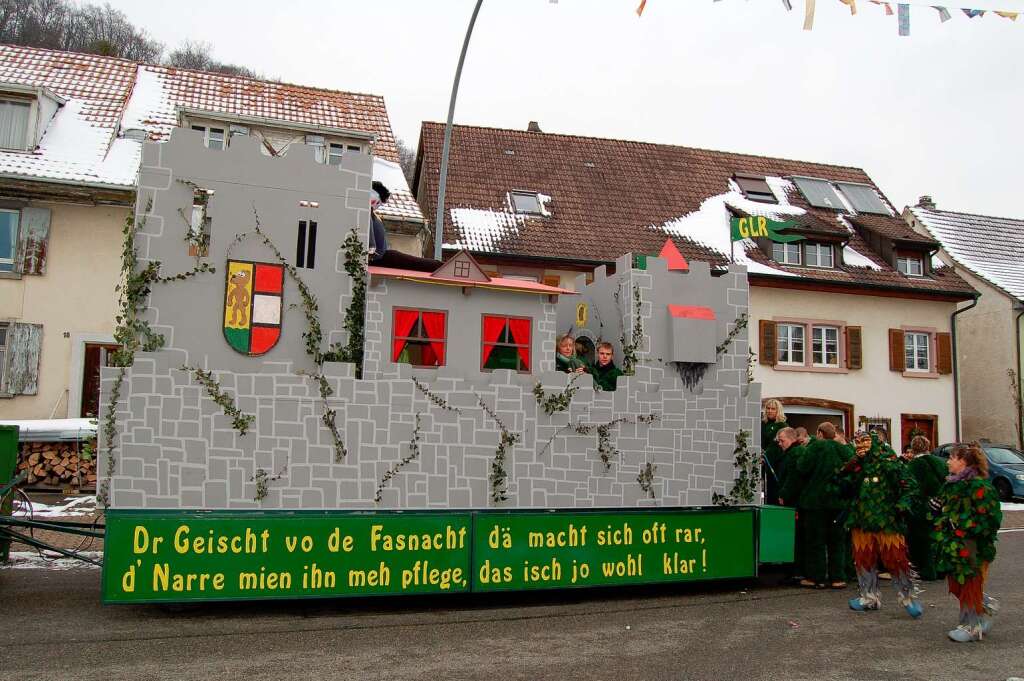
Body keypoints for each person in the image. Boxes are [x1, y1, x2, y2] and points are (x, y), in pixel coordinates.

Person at [840, 430, 922, 618]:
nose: (860, 447)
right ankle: (868, 596)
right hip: (861, 521)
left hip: (887, 520)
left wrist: (902, 506)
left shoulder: (889, 462)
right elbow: (843, 486)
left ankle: (908, 596)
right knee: (862, 558)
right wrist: (849, 468)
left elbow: (910, 486)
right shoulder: (857, 465)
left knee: (896, 559)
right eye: (857, 443)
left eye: (865, 443)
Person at [933, 442, 1002, 642]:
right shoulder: (951, 484)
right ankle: (985, 605)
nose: (948, 462)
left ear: (962, 462)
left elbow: (991, 519)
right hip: (953, 543)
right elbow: (945, 510)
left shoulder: (979, 486)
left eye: (952, 458)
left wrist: (966, 528)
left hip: (972, 545)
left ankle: (971, 626)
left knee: (970, 582)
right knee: (955, 585)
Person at [791, 422, 849, 589]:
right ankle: (838, 578)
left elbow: (802, 467)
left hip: (816, 502)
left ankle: (817, 578)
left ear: (820, 433)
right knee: (837, 541)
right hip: (838, 502)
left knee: (815, 541)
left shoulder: (816, 447)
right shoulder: (844, 449)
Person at [368, 181, 442, 273]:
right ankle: (439, 266)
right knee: (415, 263)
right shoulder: (369, 214)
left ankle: (438, 266)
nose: (378, 206)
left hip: (384, 256)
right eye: (377, 203)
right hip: (382, 258)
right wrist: (372, 252)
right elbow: (371, 242)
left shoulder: (373, 215)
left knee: (414, 262)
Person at [905, 435, 946, 581]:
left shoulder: (914, 464)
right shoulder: (940, 462)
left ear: (913, 448)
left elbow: (911, 486)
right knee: (938, 537)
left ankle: (927, 570)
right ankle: (941, 569)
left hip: (922, 506)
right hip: (940, 503)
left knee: (921, 539)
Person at [776, 427, 808, 582]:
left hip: (795, 501)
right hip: (799, 500)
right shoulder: (797, 452)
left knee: (797, 537)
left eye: (782, 441)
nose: (780, 444)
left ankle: (796, 571)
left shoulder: (794, 454)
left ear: (791, 439)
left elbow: (793, 478)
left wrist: (784, 494)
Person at [761, 399, 789, 505]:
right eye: (768, 408)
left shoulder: (782, 425)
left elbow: (776, 445)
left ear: (778, 411)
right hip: (764, 461)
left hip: (776, 463)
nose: (770, 411)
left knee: (774, 489)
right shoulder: (763, 424)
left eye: (773, 409)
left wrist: (766, 456)